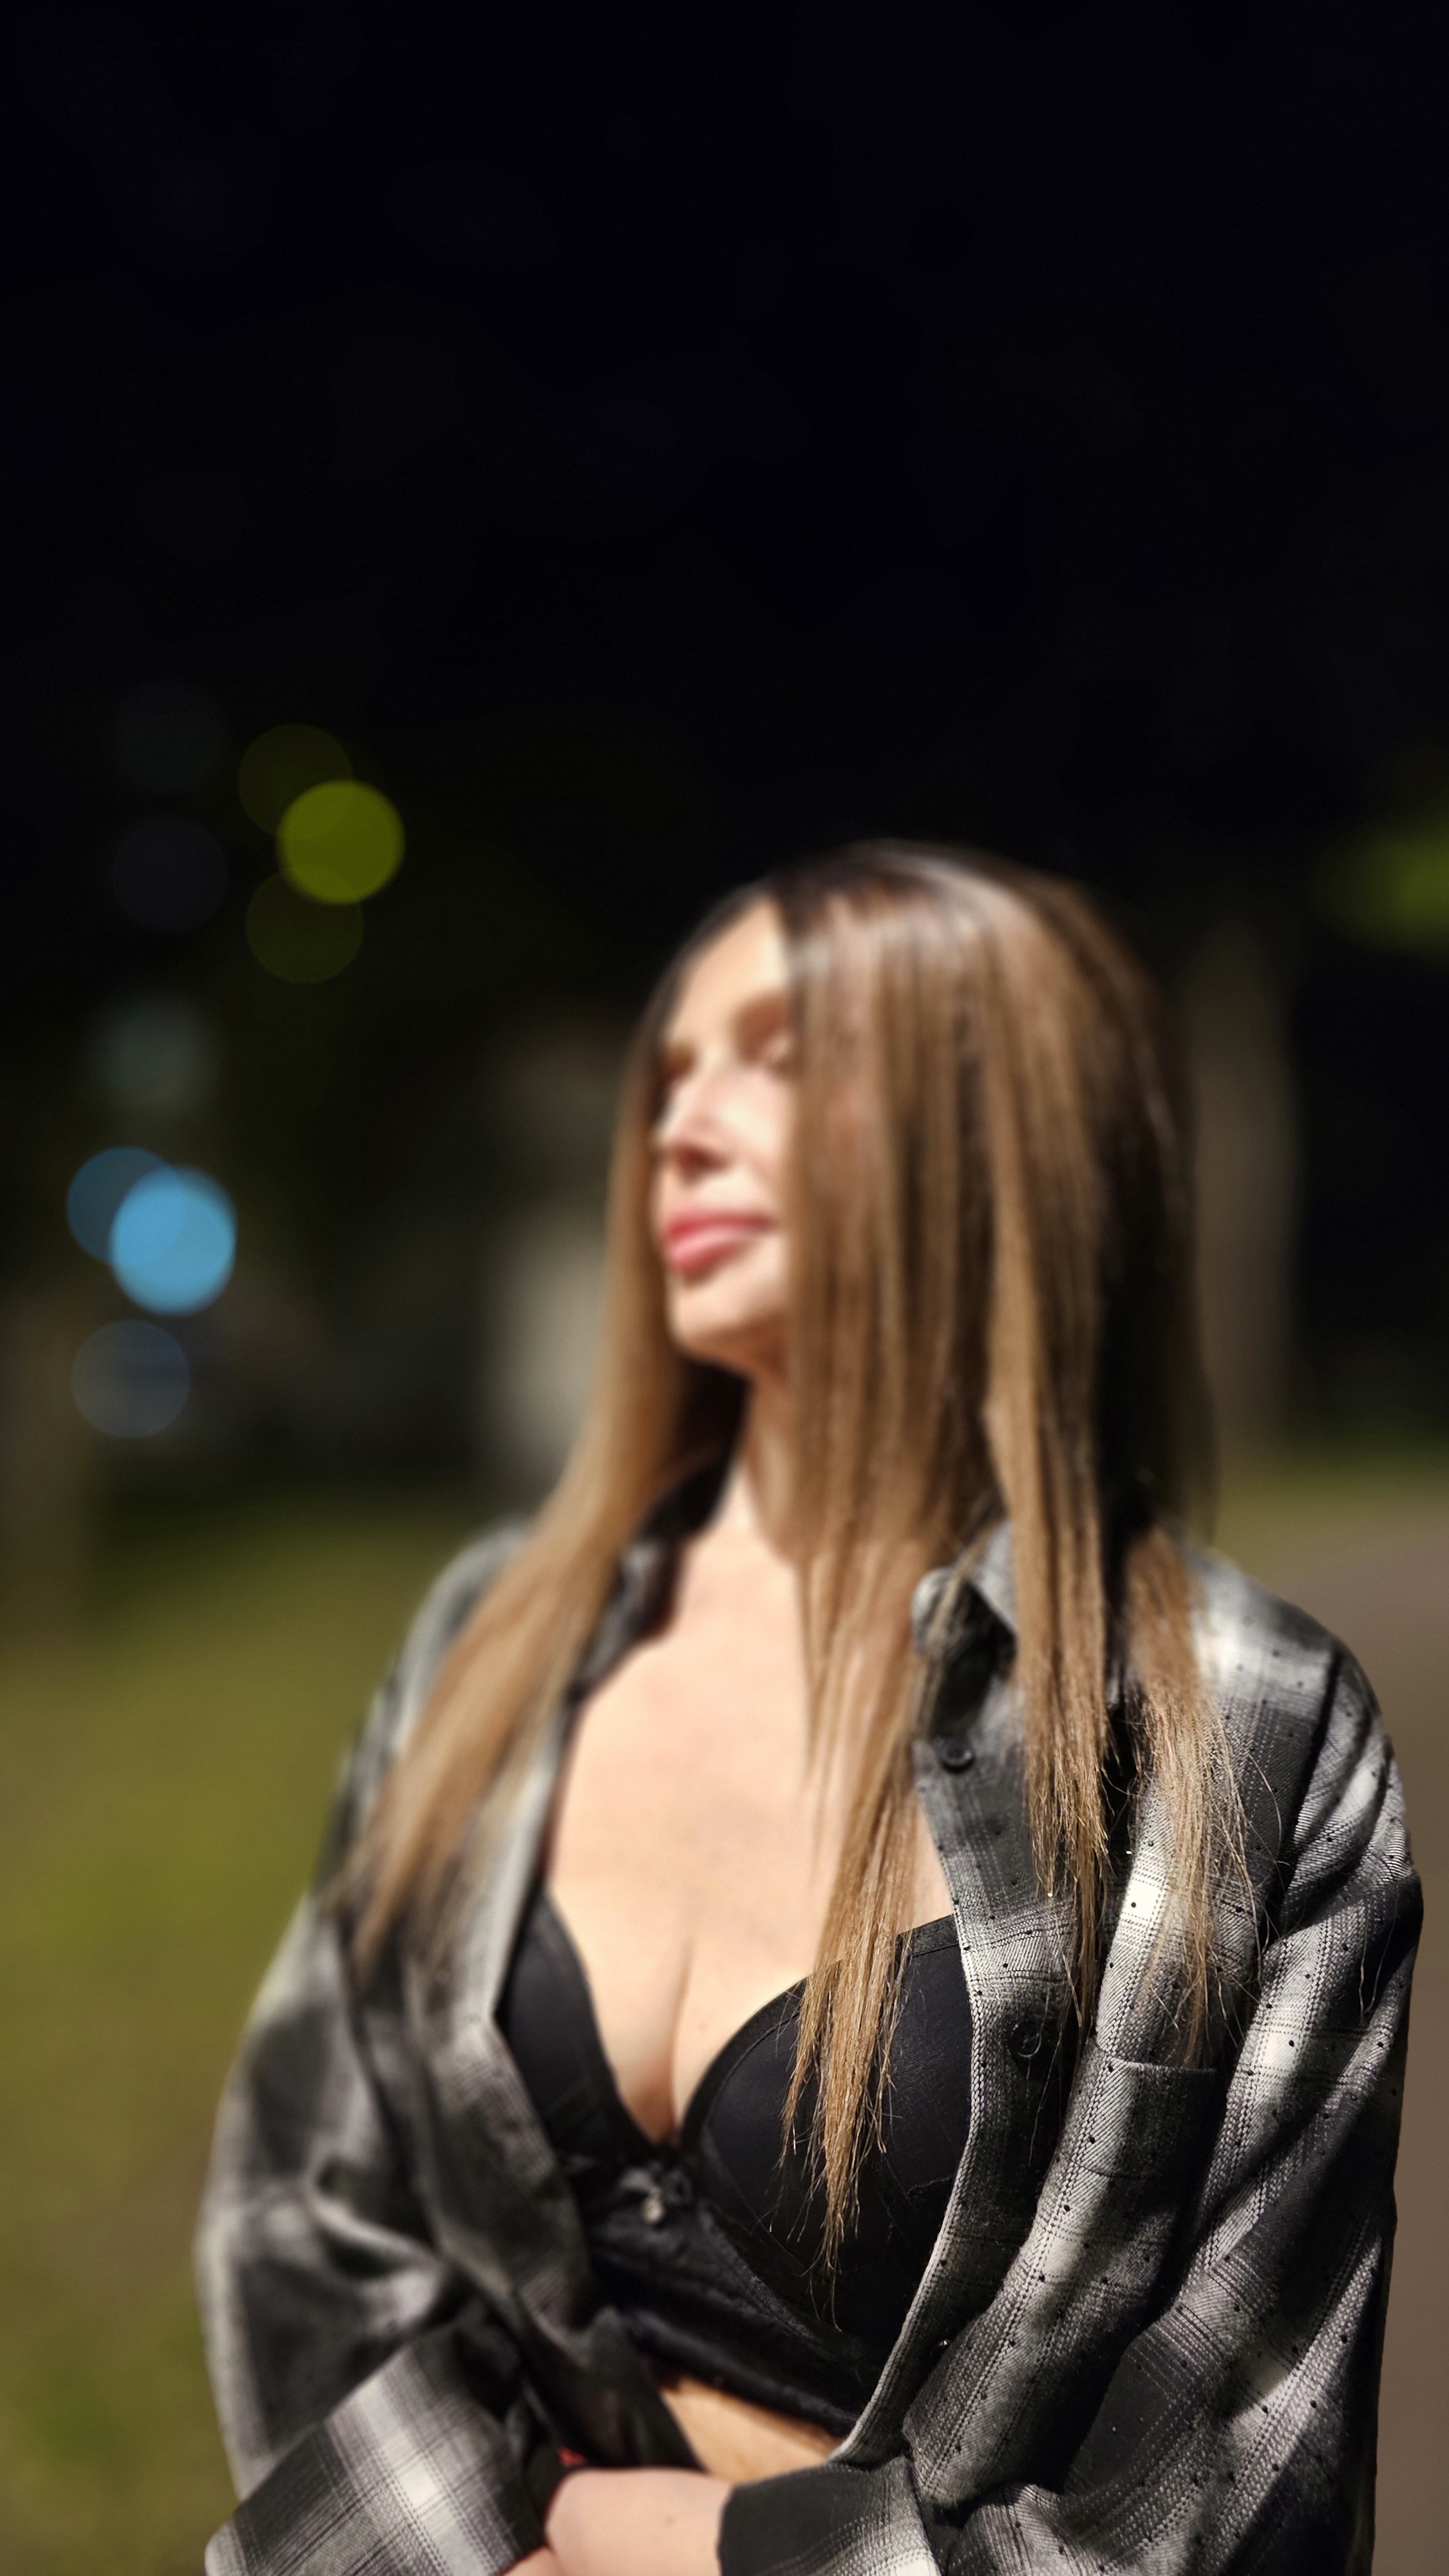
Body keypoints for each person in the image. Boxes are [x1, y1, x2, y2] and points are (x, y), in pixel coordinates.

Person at [196, 844, 1417, 2576]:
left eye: (782, 1058)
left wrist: (698, 2548)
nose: (679, 1130)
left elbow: (1230, 2498)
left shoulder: (1250, 1737)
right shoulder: (494, 1640)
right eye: (674, 1074)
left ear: (1005, 1121)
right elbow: (300, 2221)